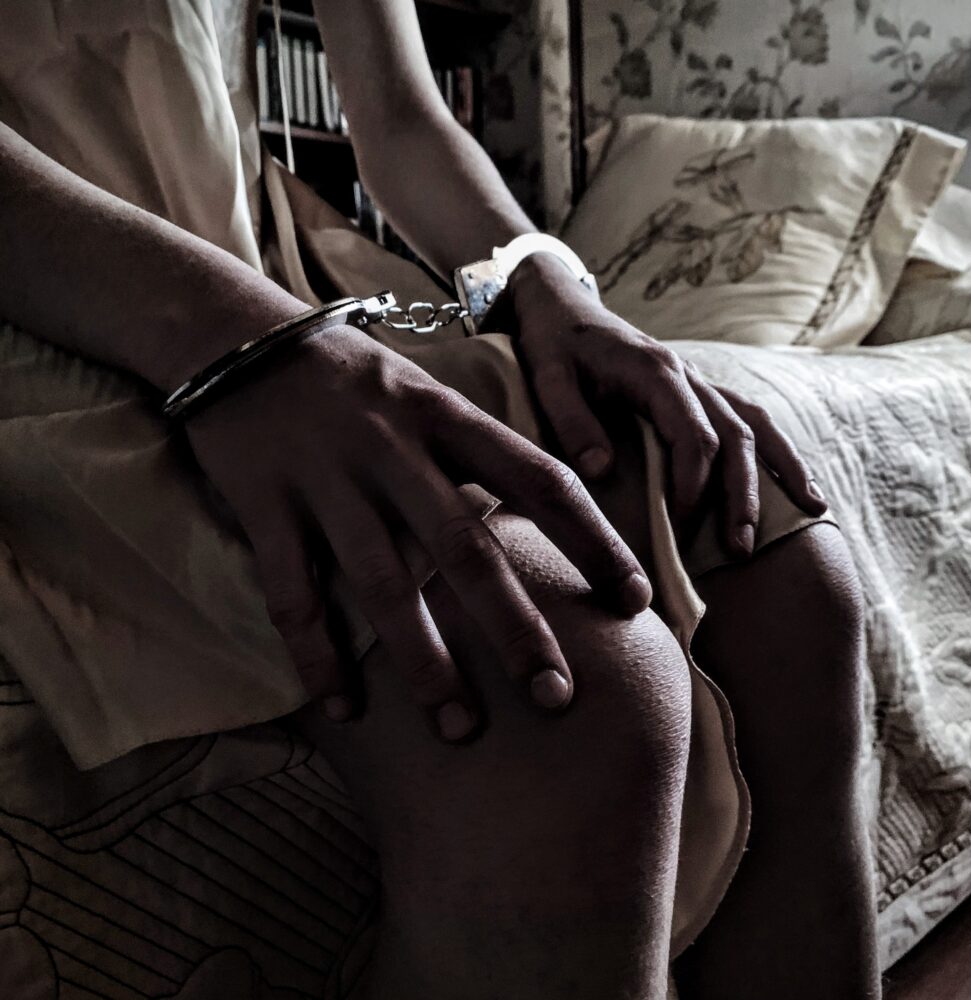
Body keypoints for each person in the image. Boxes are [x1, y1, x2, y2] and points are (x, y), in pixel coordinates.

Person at [0, 1, 879, 997]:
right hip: (58, 302)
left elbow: (403, 121)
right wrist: (223, 339)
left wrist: (548, 282)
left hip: (277, 292)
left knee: (781, 565)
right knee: (567, 690)